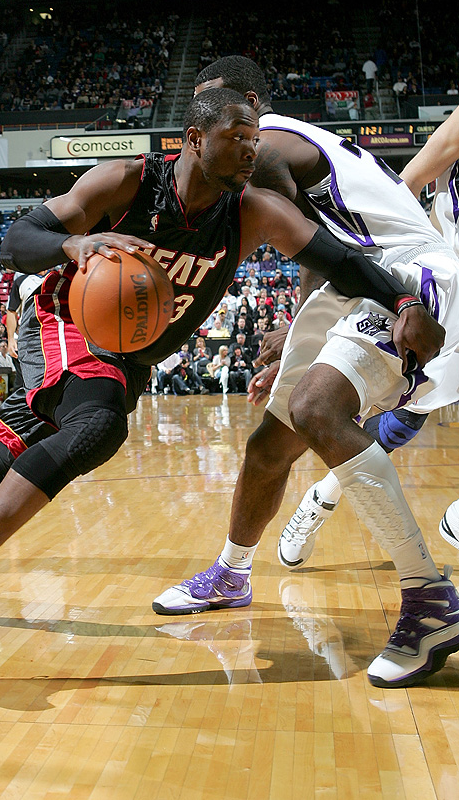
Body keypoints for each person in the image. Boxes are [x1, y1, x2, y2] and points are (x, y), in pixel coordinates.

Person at [0, 88, 436, 662]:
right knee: (99, 424)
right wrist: (71, 245)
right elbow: (17, 241)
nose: (251, 149)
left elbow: (341, 261)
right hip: (62, 321)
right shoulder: (127, 181)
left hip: (126, 358)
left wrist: (405, 300)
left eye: (254, 138)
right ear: (194, 138)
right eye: (236, 137)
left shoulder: (254, 210)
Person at [152, 56, 458, 690]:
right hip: (355, 284)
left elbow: (317, 247)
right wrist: (299, 331)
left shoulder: (263, 146)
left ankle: (429, 599)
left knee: (317, 408)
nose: (204, 120)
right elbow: (318, 249)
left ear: (251, 103)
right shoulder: (281, 149)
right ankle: (231, 573)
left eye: (218, 104)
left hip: (406, 275)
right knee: (269, 446)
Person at [279, 105, 459, 565]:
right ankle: (322, 497)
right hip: (440, 280)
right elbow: (405, 189)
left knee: (400, 417)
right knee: (399, 416)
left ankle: (323, 495)